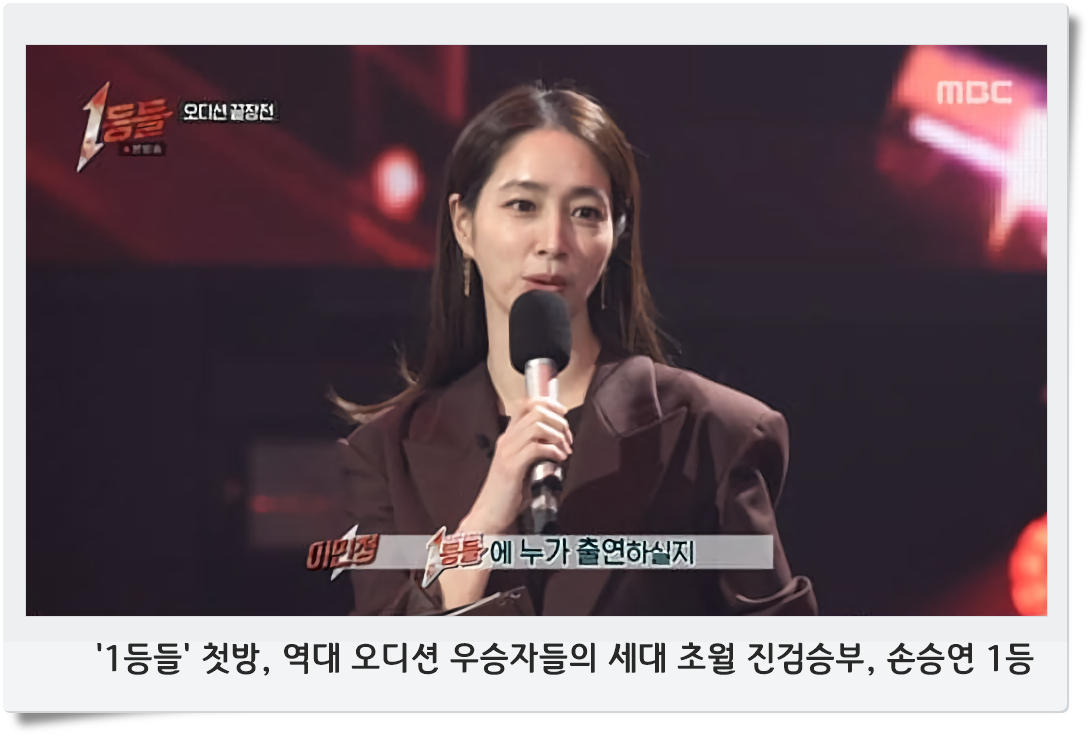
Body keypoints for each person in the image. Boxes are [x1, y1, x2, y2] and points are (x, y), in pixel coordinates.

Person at [335, 82, 817, 616]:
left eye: (586, 213)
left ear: (617, 234)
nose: (553, 241)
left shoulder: (715, 434)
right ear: (463, 225)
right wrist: (486, 519)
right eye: (522, 205)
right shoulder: (385, 456)